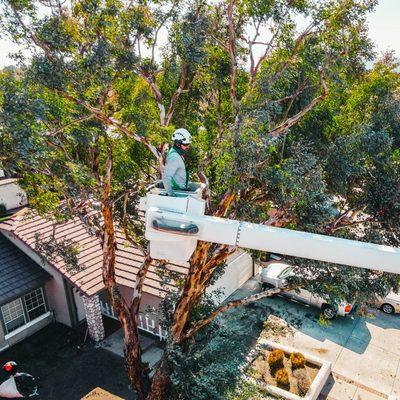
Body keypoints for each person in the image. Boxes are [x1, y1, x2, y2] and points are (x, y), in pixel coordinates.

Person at [162, 128, 191, 196]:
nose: (188, 147)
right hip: (178, 193)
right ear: (178, 144)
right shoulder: (174, 157)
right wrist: (171, 194)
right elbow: (166, 177)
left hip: (180, 190)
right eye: (186, 144)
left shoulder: (178, 154)